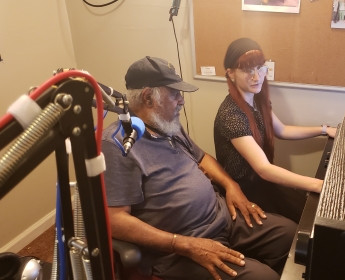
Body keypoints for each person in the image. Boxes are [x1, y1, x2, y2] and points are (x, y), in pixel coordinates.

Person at [102, 56, 297, 280]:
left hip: (221, 216)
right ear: (148, 97)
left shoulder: (167, 125)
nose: (181, 101)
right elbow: (114, 220)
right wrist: (184, 244)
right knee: (265, 278)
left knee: (290, 236)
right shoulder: (118, 144)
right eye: (174, 94)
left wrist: (230, 185)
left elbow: (203, 158)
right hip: (182, 248)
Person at [213, 38, 337, 223]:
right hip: (246, 191)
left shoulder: (257, 100)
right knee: (303, 221)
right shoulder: (232, 115)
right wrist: (319, 185)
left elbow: (283, 130)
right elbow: (263, 169)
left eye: (260, 67)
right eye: (247, 70)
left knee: (307, 212)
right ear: (231, 73)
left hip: (263, 183)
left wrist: (324, 130)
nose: (256, 77)